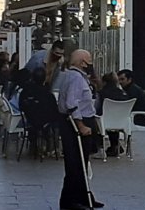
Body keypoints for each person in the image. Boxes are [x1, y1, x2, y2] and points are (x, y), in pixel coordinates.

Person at [57, 49, 104, 210]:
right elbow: (71, 103)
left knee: (83, 162)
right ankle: (71, 201)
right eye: (89, 60)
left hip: (84, 119)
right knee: (75, 163)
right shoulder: (76, 78)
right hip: (76, 122)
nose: (91, 63)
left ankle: (84, 197)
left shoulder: (78, 77)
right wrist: (81, 125)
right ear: (82, 62)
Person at [96, 72, 128, 158]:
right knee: (112, 123)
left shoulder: (101, 93)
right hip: (121, 122)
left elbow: (97, 108)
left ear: (104, 82)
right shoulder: (122, 93)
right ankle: (115, 145)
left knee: (95, 120)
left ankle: (100, 149)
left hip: (104, 122)